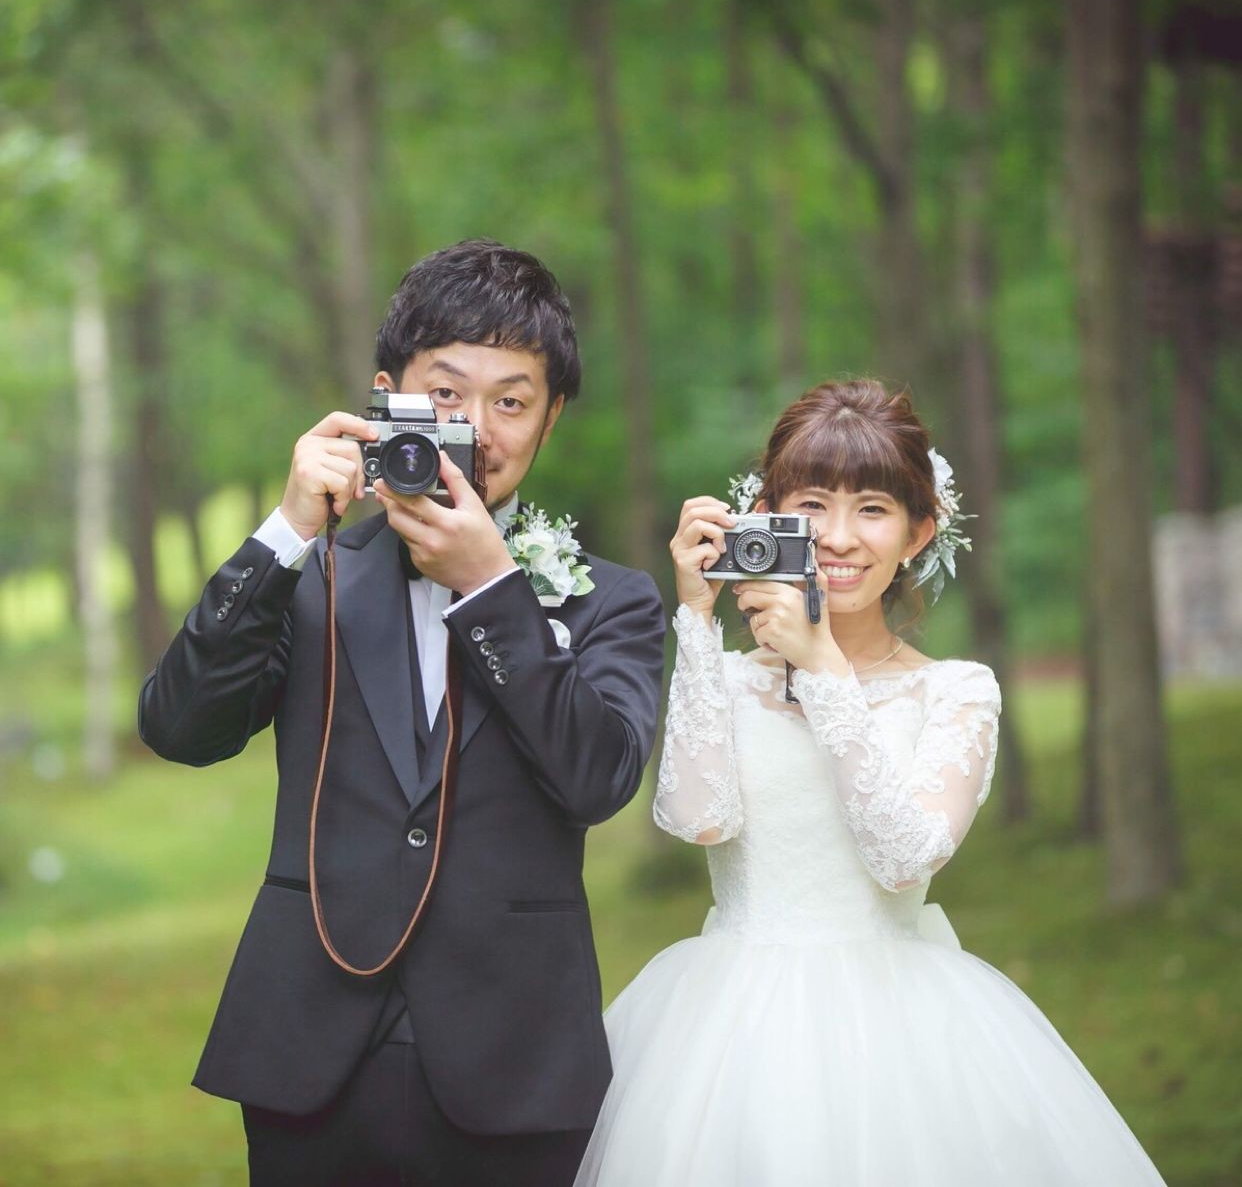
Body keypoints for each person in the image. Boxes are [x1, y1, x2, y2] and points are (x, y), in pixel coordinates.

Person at [138, 238, 666, 1187]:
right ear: (387, 398)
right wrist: (287, 528)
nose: (477, 428)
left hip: (515, 1057)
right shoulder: (311, 576)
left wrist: (491, 589)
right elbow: (181, 728)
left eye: (512, 401)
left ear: (548, 423)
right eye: (448, 393)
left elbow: (597, 781)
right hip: (311, 1046)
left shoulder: (611, 600)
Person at [574, 379, 1166, 1186]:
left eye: (874, 510)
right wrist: (697, 618)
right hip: (725, 1032)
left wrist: (821, 669)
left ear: (920, 532)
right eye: (812, 505)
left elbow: (903, 859)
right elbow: (696, 818)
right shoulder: (732, 677)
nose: (839, 539)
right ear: (767, 516)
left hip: (902, 1035)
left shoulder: (957, 691)